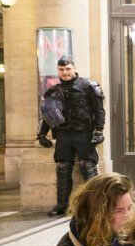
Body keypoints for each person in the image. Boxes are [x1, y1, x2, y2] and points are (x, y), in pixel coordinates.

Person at [37, 56, 106, 217]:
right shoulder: (54, 91)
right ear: (58, 71)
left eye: (68, 69)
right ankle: (61, 205)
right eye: (61, 70)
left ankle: (95, 206)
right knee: (62, 168)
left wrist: (99, 131)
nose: (65, 72)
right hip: (63, 135)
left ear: (74, 68)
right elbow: (48, 113)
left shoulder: (88, 86)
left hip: (84, 133)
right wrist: (41, 135)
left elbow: (99, 111)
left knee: (87, 166)